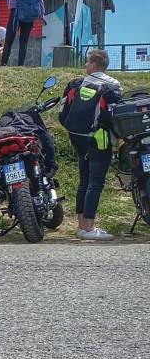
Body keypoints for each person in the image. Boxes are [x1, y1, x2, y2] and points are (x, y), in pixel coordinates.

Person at [58, 49, 122, 241]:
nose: (85, 65)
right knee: (95, 183)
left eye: (87, 62)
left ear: (94, 65)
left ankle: (81, 227)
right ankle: (89, 228)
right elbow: (114, 117)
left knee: (84, 181)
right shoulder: (112, 86)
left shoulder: (76, 84)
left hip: (77, 138)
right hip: (99, 139)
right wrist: (118, 138)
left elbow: (62, 115)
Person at [1, 0, 44, 66]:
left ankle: (4, 63)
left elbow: (9, 0)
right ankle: (20, 65)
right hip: (28, 14)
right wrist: (41, 15)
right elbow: (40, 0)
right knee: (23, 42)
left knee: (8, 41)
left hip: (14, 13)